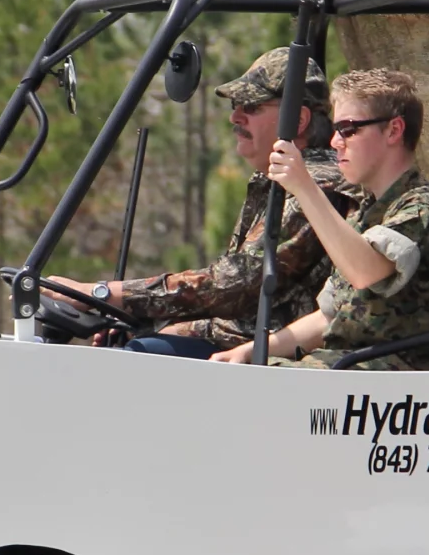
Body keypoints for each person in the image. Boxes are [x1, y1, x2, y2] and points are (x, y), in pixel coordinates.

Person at [49, 50, 354, 359]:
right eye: (236, 106)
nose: (235, 117)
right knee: (135, 346)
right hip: (247, 345)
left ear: (299, 120)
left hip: (282, 364)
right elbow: (235, 312)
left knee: (141, 355)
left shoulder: (316, 185)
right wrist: (146, 321)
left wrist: (103, 294)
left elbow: (236, 285)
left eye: (251, 106)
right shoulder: (277, 179)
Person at [212, 68, 429, 369]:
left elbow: (368, 271)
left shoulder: (422, 204)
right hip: (346, 373)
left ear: (393, 130)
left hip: (391, 383)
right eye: (336, 129)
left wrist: (304, 186)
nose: (336, 141)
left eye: (349, 129)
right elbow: (329, 315)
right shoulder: (366, 214)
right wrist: (250, 351)